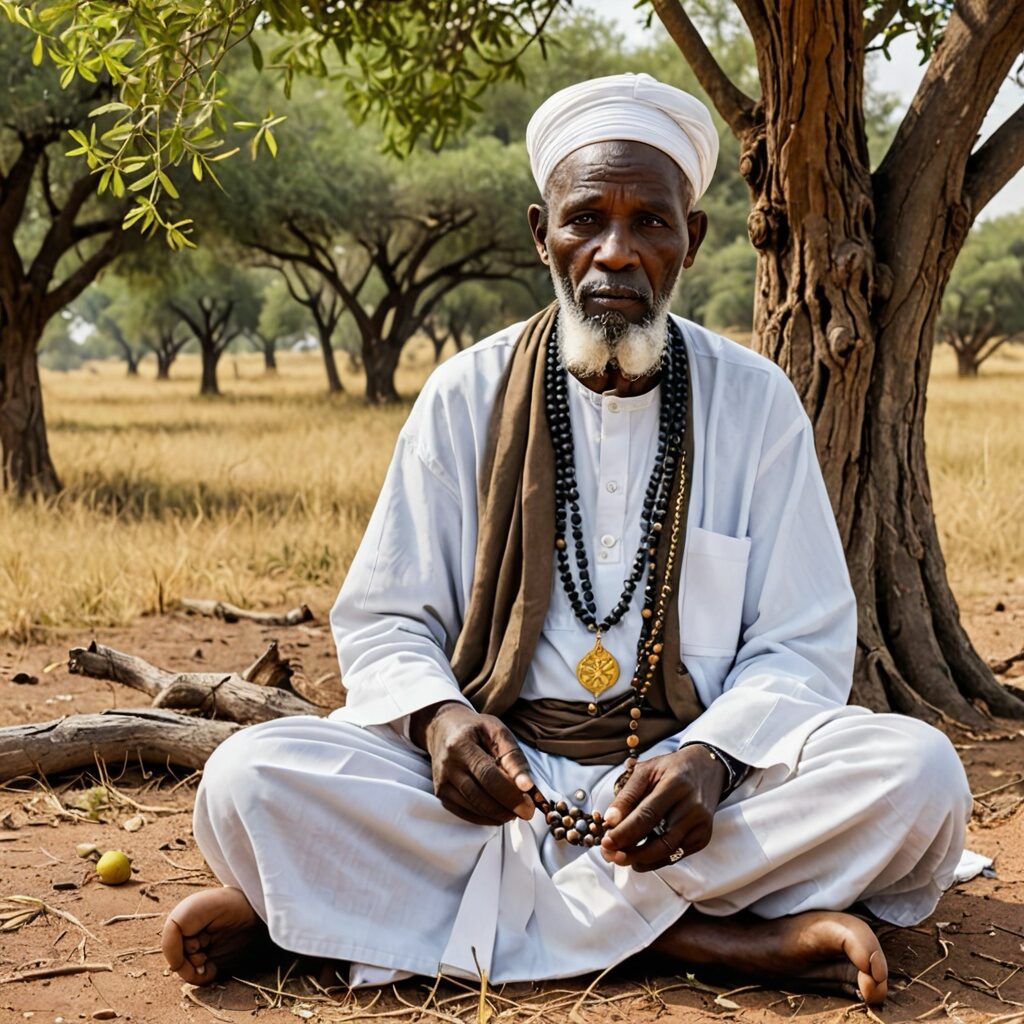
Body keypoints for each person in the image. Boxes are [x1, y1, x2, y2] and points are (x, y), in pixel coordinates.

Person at [162, 73, 972, 1005]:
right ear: (540, 233)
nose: (615, 255)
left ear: (692, 240)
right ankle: (703, 936)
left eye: (651, 223)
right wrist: (440, 723)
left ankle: (330, 915)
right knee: (245, 778)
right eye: (587, 219)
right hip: (496, 786)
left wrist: (713, 761)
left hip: (684, 798)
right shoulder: (462, 395)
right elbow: (387, 618)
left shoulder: (755, 402)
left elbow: (801, 638)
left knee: (918, 775)